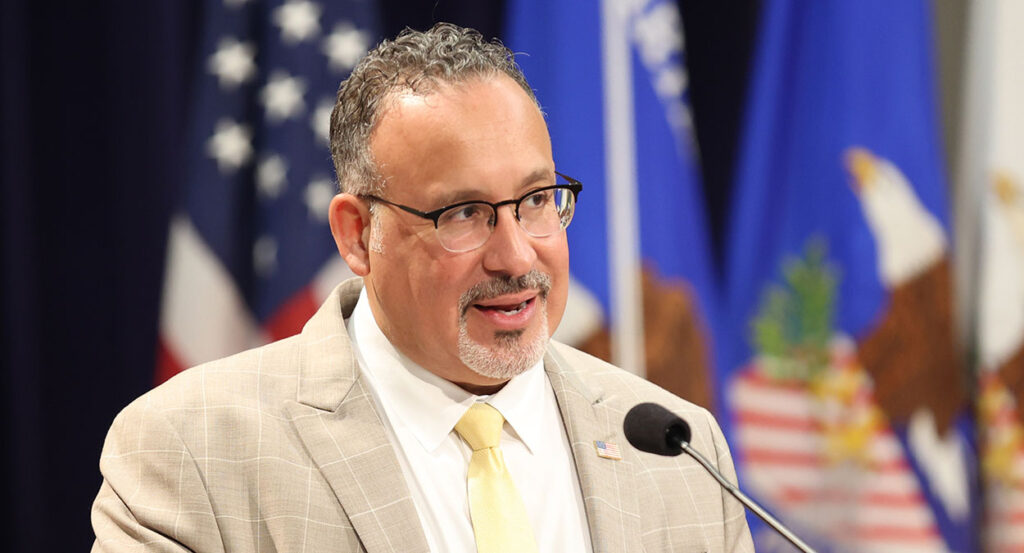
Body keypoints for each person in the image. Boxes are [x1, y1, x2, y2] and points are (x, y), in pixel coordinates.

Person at [92, 23, 753, 553]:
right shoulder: (193, 449)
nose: (517, 253)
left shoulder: (683, 452)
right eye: (463, 212)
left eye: (536, 200)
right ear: (357, 235)